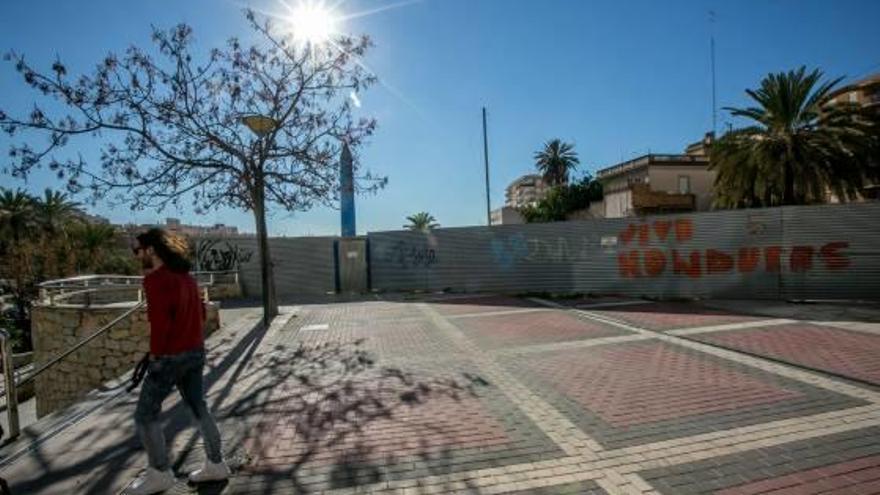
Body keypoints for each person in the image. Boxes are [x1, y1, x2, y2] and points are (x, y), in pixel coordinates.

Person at [125, 228, 229, 495]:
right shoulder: (187, 278)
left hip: (169, 356)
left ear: (151, 250)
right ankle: (216, 464)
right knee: (198, 408)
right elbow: (202, 314)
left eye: (137, 250)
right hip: (195, 351)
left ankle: (159, 472)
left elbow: (161, 324)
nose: (136, 256)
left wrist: (156, 355)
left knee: (145, 414)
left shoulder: (155, 281)